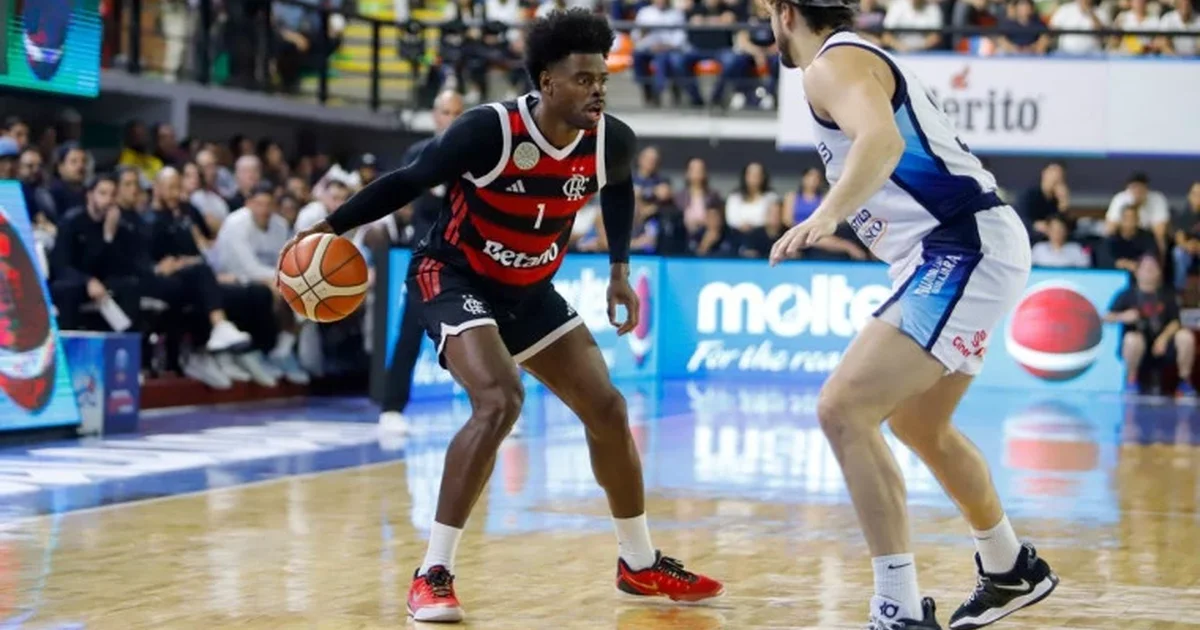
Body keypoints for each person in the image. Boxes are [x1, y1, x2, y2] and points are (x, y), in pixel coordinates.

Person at [283, 9, 723, 623]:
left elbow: (618, 188)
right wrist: (328, 227)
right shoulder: (487, 131)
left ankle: (638, 561)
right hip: (452, 275)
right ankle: (432, 571)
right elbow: (409, 180)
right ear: (546, 82)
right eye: (581, 78)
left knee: (608, 409)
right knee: (499, 400)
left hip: (530, 290)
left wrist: (620, 270)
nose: (597, 89)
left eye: (602, 78)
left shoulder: (610, 140)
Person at [763, 1, 1056, 628]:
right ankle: (1008, 568)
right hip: (960, 247)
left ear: (784, 12)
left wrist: (825, 214)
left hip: (959, 245)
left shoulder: (829, 63)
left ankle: (896, 608)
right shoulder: (855, 57)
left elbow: (883, 140)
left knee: (842, 409)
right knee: (921, 426)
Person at [379, 89, 465, 434]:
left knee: (487, 335)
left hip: (466, 258)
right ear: (435, 115)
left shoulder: (476, 155)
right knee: (410, 331)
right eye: (445, 112)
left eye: (458, 112)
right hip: (427, 258)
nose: (451, 119)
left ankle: (498, 409)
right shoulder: (418, 153)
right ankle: (391, 408)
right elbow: (405, 196)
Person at [1106, 255, 1195, 395]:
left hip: (1164, 346)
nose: (1149, 271)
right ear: (1137, 272)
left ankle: (1184, 381)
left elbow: (1176, 322)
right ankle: (1131, 381)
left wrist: (1164, 338)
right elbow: (1106, 317)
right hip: (1139, 345)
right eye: (1146, 268)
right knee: (1132, 339)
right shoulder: (1126, 294)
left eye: (1153, 268)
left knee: (1186, 337)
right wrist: (1123, 316)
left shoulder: (1168, 295)